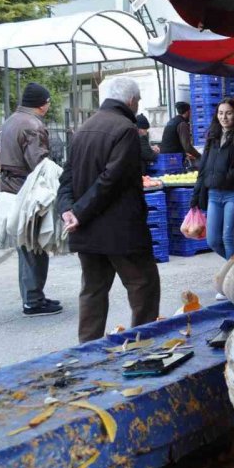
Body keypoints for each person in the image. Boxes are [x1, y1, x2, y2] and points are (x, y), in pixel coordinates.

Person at [57, 77, 160, 343]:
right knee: (143, 288)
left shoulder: (84, 128)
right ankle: (142, 347)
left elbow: (66, 177)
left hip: (88, 232)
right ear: (130, 101)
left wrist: (68, 208)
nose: (137, 107)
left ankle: (87, 352)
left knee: (92, 292)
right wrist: (77, 211)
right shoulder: (126, 129)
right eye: (137, 101)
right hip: (120, 231)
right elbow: (111, 180)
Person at [0, 82, 62, 317]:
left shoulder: (10, 121)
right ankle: (33, 301)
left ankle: (32, 297)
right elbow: (39, 165)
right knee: (34, 244)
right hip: (27, 190)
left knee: (25, 245)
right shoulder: (32, 125)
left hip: (9, 187)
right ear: (42, 104)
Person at [190, 98, 234, 266]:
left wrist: (231, 176)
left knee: (228, 239)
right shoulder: (212, 137)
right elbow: (204, 168)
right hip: (213, 195)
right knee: (213, 240)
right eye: (221, 113)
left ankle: (233, 283)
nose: (224, 117)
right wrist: (196, 195)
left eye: (228, 113)